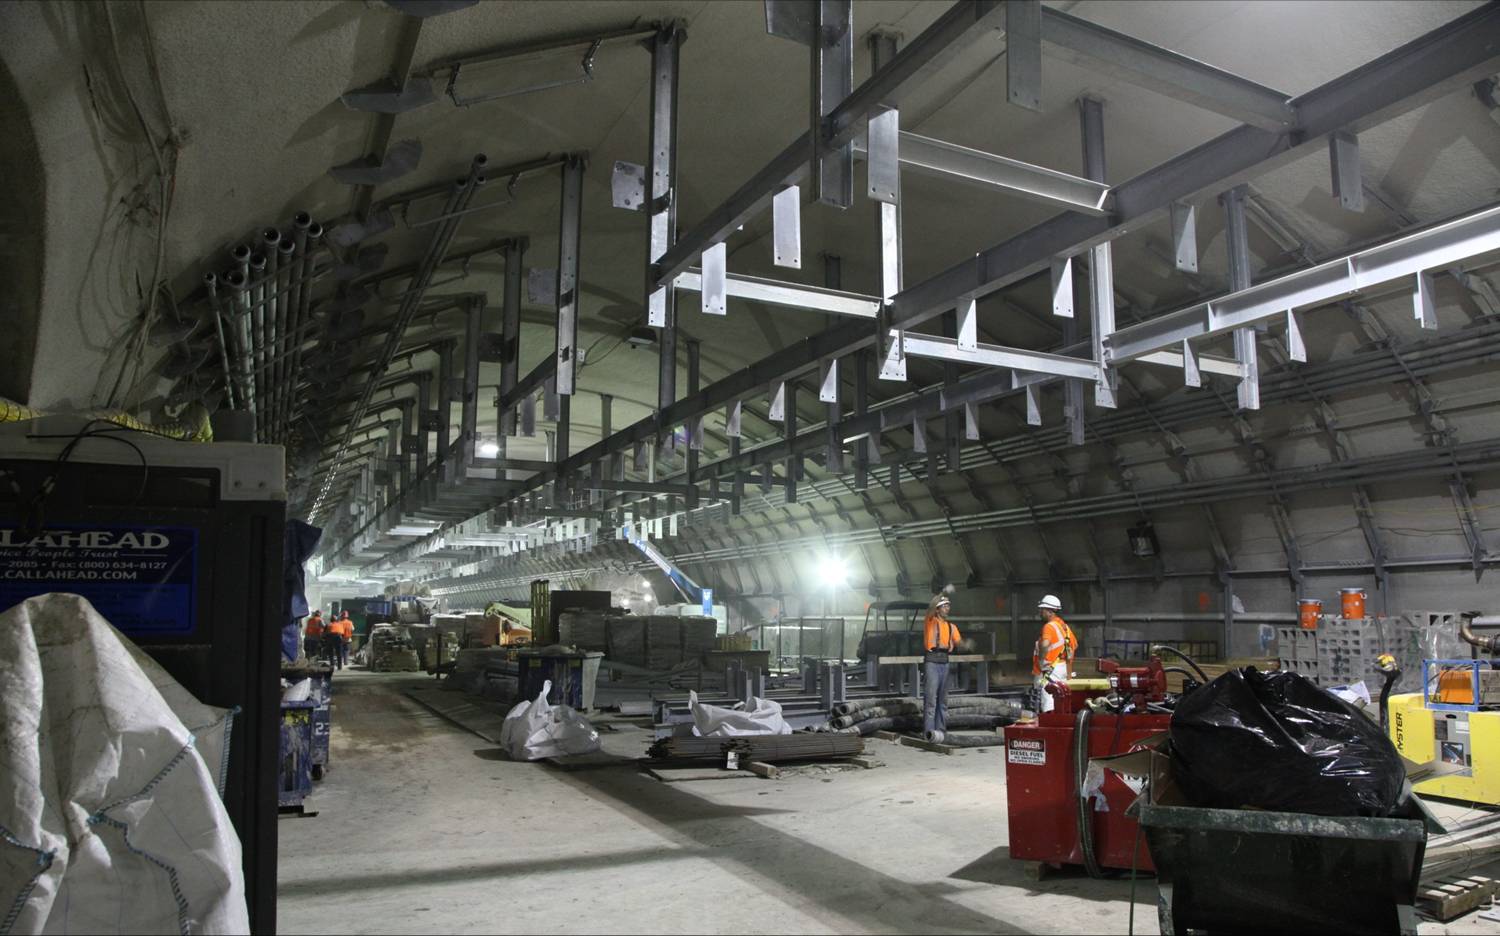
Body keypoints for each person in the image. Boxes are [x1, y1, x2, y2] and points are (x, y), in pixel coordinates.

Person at [922, 593, 962, 741]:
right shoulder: (930, 621)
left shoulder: (952, 627)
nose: (947, 608)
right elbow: (930, 607)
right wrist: (940, 594)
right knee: (931, 700)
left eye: (948, 606)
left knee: (943, 701)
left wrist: (966, 644)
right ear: (937, 610)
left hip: (945, 662)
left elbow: (959, 643)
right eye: (944, 606)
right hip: (932, 662)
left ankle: (940, 733)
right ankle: (929, 733)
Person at [1032, 594, 1078, 714]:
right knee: (1060, 700)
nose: (1040, 612)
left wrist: (1042, 662)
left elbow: (1045, 644)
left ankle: (1049, 727)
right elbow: (1073, 647)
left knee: (1048, 702)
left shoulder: (1049, 626)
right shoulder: (1064, 627)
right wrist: (1068, 672)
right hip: (1061, 668)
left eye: (1042, 610)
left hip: (1050, 670)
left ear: (1050, 611)